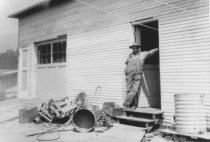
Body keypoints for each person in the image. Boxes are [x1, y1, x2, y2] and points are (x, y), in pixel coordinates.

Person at [123, 43, 158, 109]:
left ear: (138, 48)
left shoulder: (142, 54)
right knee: (128, 90)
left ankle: (126, 103)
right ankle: (131, 105)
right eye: (133, 47)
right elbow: (126, 63)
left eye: (136, 47)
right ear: (132, 48)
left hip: (137, 75)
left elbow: (150, 52)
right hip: (129, 75)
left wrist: (158, 48)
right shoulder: (129, 56)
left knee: (134, 90)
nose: (135, 49)